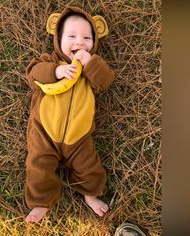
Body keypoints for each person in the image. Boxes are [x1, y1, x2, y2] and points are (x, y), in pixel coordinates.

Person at [24, 6, 115, 223]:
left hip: (79, 136)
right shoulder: (50, 60)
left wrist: (90, 64)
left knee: (90, 166)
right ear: (58, 39)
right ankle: (40, 202)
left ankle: (90, 194)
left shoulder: (91, 69)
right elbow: (33, 73)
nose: (80, 42)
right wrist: (55, 71)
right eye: (71, 36)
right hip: (45, 131)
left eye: (87, 37)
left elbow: (106, 80)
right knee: (38, 165)